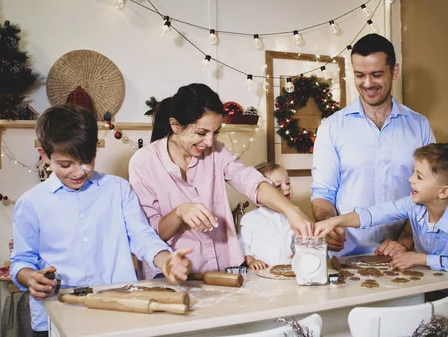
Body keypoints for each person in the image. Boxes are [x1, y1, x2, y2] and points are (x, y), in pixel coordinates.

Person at [10, 104, 192, 336]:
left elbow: (141, 236)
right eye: (66, 165)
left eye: (87, 161)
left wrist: (166, 260)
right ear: (44, 155)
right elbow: (22, 261)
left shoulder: (118, 190)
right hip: (56, 315)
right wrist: (30, 278)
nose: (78, 172)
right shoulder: (31, 203)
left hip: (118, 311)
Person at [129, 83, 313, 279]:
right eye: (201, 133)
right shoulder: (144, 162)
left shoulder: (216, 151)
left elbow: (251, 181)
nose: (209, 142)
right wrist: (180, 212)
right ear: (175, 125)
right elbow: (149, 233)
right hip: (171, 275)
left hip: (221, 270)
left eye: (215, 132)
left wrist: (291, 211)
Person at [311, 33, 436, 257]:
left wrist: (406, 240)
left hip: (403, 257)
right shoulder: (331, 127)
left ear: (394, 71)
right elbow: (323, 192)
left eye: (376, 74)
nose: (367, 83)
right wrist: (328, 224)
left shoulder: (420, 126)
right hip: (346, 258)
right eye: (360, 75)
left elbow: (432, 194)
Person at [314, 143, 448, 272]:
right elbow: (374, 214)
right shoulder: (413, 205)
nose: (410, 179)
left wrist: (418, 258)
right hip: (439, 282)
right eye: (413, 172)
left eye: (419, 177)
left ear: (443, 192)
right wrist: (335, 221)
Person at [239, 162, 295, 270]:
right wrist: (251, 261)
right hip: (262, 273)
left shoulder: (293, 216)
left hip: (289, 271)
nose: (286, 188)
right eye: (278, 185)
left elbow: (298, 242)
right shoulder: (250, 219)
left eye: (287, 183)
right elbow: (243, 245)